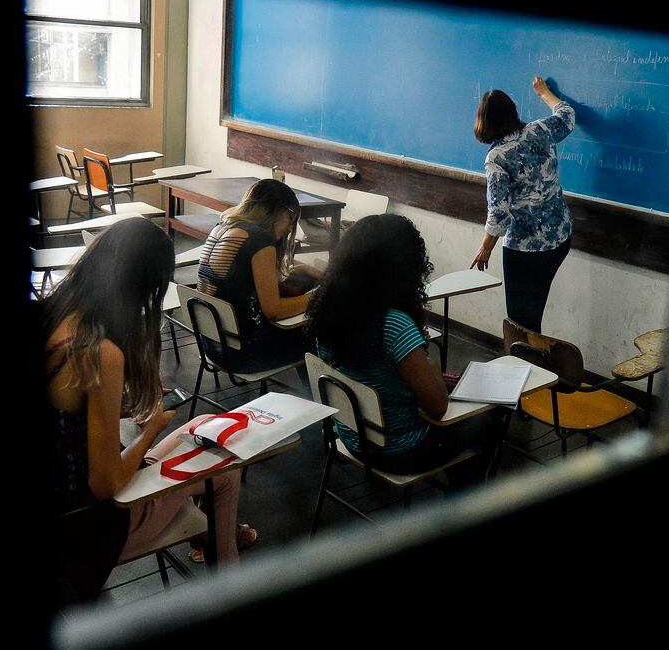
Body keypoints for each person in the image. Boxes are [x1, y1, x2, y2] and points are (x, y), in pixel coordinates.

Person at [44, 217, 254, 605]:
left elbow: (65, 417)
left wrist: (116, 409)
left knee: (199, 428)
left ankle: (208, 537)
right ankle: (229, 577)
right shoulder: (99, 351)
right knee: (224, 470)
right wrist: (149, 431)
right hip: (85, 532)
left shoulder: (51, 316)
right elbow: (105, 485)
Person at [306, 214, 505, 487]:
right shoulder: (393, 325)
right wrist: (432, 368)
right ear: (403, 267)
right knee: (492, 418)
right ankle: (463, 504)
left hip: (354, 437)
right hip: (402, 451)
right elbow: (437, 407)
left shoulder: (327, 309)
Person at [469, 76, 576, 333]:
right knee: (532, 314)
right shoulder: (540, 130)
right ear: (512, 112)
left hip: (526, 250)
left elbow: (499, 213)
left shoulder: (496, 158)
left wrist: (485, 248)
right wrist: (544, 93)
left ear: (485, 121)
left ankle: (529, 369)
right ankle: (537, 365)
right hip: (560, 239)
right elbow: (567, 114)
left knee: (520, 324)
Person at [197, 178, 320, 374]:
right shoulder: (259, 239)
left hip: (214, 345)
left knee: (301, 289)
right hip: (245, 353)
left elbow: (242, 275)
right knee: (317, 333)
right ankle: (319, 400)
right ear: (281, 212)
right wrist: (317, 299)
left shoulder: (224, 227)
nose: (289, 229)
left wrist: (300, 268)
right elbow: (274, 311)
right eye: (291, 220)